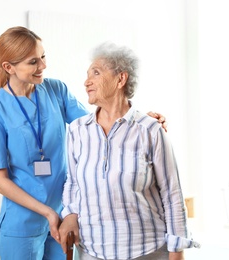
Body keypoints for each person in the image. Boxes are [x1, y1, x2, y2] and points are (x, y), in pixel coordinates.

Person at [0, 26, 168, 260]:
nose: (43, 66)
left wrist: (138, 120)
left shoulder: (55, 90)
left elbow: (97, 125)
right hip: (22, 224)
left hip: (65, 216)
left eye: (43, 57)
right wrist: (47, 212)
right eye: (33, 62)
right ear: (9, 67)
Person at [57, 42, 199, 260]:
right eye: (87, 75)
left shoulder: (150, 130)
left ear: (120, 79)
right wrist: (70, 213)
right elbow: (73, 182)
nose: (87, 82)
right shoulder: (77, 131)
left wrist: (177, 252)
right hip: (91, 251)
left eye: (96, 72)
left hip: (146, 250)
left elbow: (172, 195)